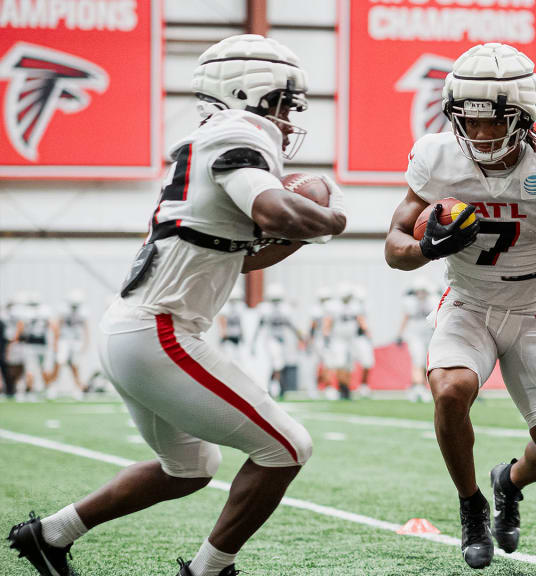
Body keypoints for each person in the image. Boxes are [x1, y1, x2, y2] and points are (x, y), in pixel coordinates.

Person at [7, 33, 346, 576]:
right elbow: (278, 212)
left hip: (134, 330)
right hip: (158, 331)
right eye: (284, 104)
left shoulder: (213, 141)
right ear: (249, 94)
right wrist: (332, 219)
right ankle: (209, 571)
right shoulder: (242, 131)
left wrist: (302, 234)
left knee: (189, 468)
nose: (287, 119)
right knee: (288, 446)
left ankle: (50, 535)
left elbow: (243, 260)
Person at [384, 42, 536, 570]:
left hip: (531, 309)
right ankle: (471, 504)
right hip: (469, 303)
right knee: (450, 390)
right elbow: (394, 246)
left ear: (524, 114)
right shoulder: (437, 156)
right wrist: (425, 249)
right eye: (470, 121)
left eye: (494, 121)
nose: (480, 134)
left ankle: (508, 481)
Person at [252, 284, 304, 398]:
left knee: (280, 363)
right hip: (270, 340)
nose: (276, 303)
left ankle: (275, 386)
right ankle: (275, 386)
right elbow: (258, 327)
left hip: (281, 340)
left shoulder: (285, 309)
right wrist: (254, 343)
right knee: (276, 363)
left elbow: (292, 325)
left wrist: (301, 337)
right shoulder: (265, 309)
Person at [397, 276, 438, 403]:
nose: (420, 294)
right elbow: (406, 318)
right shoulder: (410, 302)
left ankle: (420, 387)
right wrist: (400, 334)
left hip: (429, 334)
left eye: (423, 291)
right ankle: (419, 388)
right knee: (418, 360)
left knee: (428, 362)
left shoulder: (433, 300)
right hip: (414, 334)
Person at [52, 290, 90, 398]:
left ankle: (77, 387)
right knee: (59, 362)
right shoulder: (64, 310)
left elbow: (86, 328)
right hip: (64, 339)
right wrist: (56, 341)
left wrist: (86, 342)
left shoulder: (83, 311)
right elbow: (58, 325)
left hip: (76, 340)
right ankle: (53, 386)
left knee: (75, 364)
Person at [217, 286, 248, 367]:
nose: (235, 302)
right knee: (228, 359)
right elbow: (222, 319)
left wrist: (242, 333)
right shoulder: (225, 307)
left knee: (238, 359)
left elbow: (241, 323)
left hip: (236, 337)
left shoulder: (240, 307)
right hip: (228, 337)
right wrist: (224, 332)